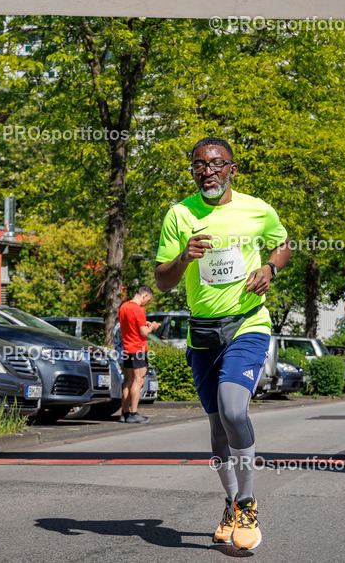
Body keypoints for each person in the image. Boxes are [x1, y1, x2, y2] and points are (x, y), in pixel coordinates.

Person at [154, 137, 290, 551]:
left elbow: (282, 244)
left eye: (216, 164)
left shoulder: (257, 208)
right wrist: (183, 259)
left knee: (234, 409)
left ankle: (247, 502)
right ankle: (231, 503)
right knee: (216, 427)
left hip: (248, 321)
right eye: (199, 165)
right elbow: (162, 279)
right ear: (193, 170)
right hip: (203, 331)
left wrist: (269, 267)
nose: (207, 171)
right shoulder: (179, 215)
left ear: (232, 167)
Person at [117, 285, 160, 423]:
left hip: (127, 348)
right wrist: (152, 326)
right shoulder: (139, 309)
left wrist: (144, 323)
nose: (148, 302)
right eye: (148, 299)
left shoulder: (123, 307)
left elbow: (132, 325)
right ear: (144, 295)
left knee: (128, 380)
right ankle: (133, 413)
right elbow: (144, 332)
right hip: (138, 349)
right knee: (138, 380)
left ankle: (124, 412)